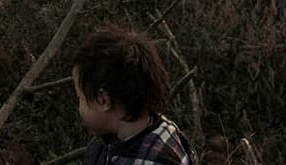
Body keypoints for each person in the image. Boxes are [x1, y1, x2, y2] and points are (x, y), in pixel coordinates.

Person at [72, 25, 196, 165]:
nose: (79, 108)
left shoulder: (159, 159)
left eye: (80, 98)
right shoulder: (105, 144)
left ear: (103, 100)